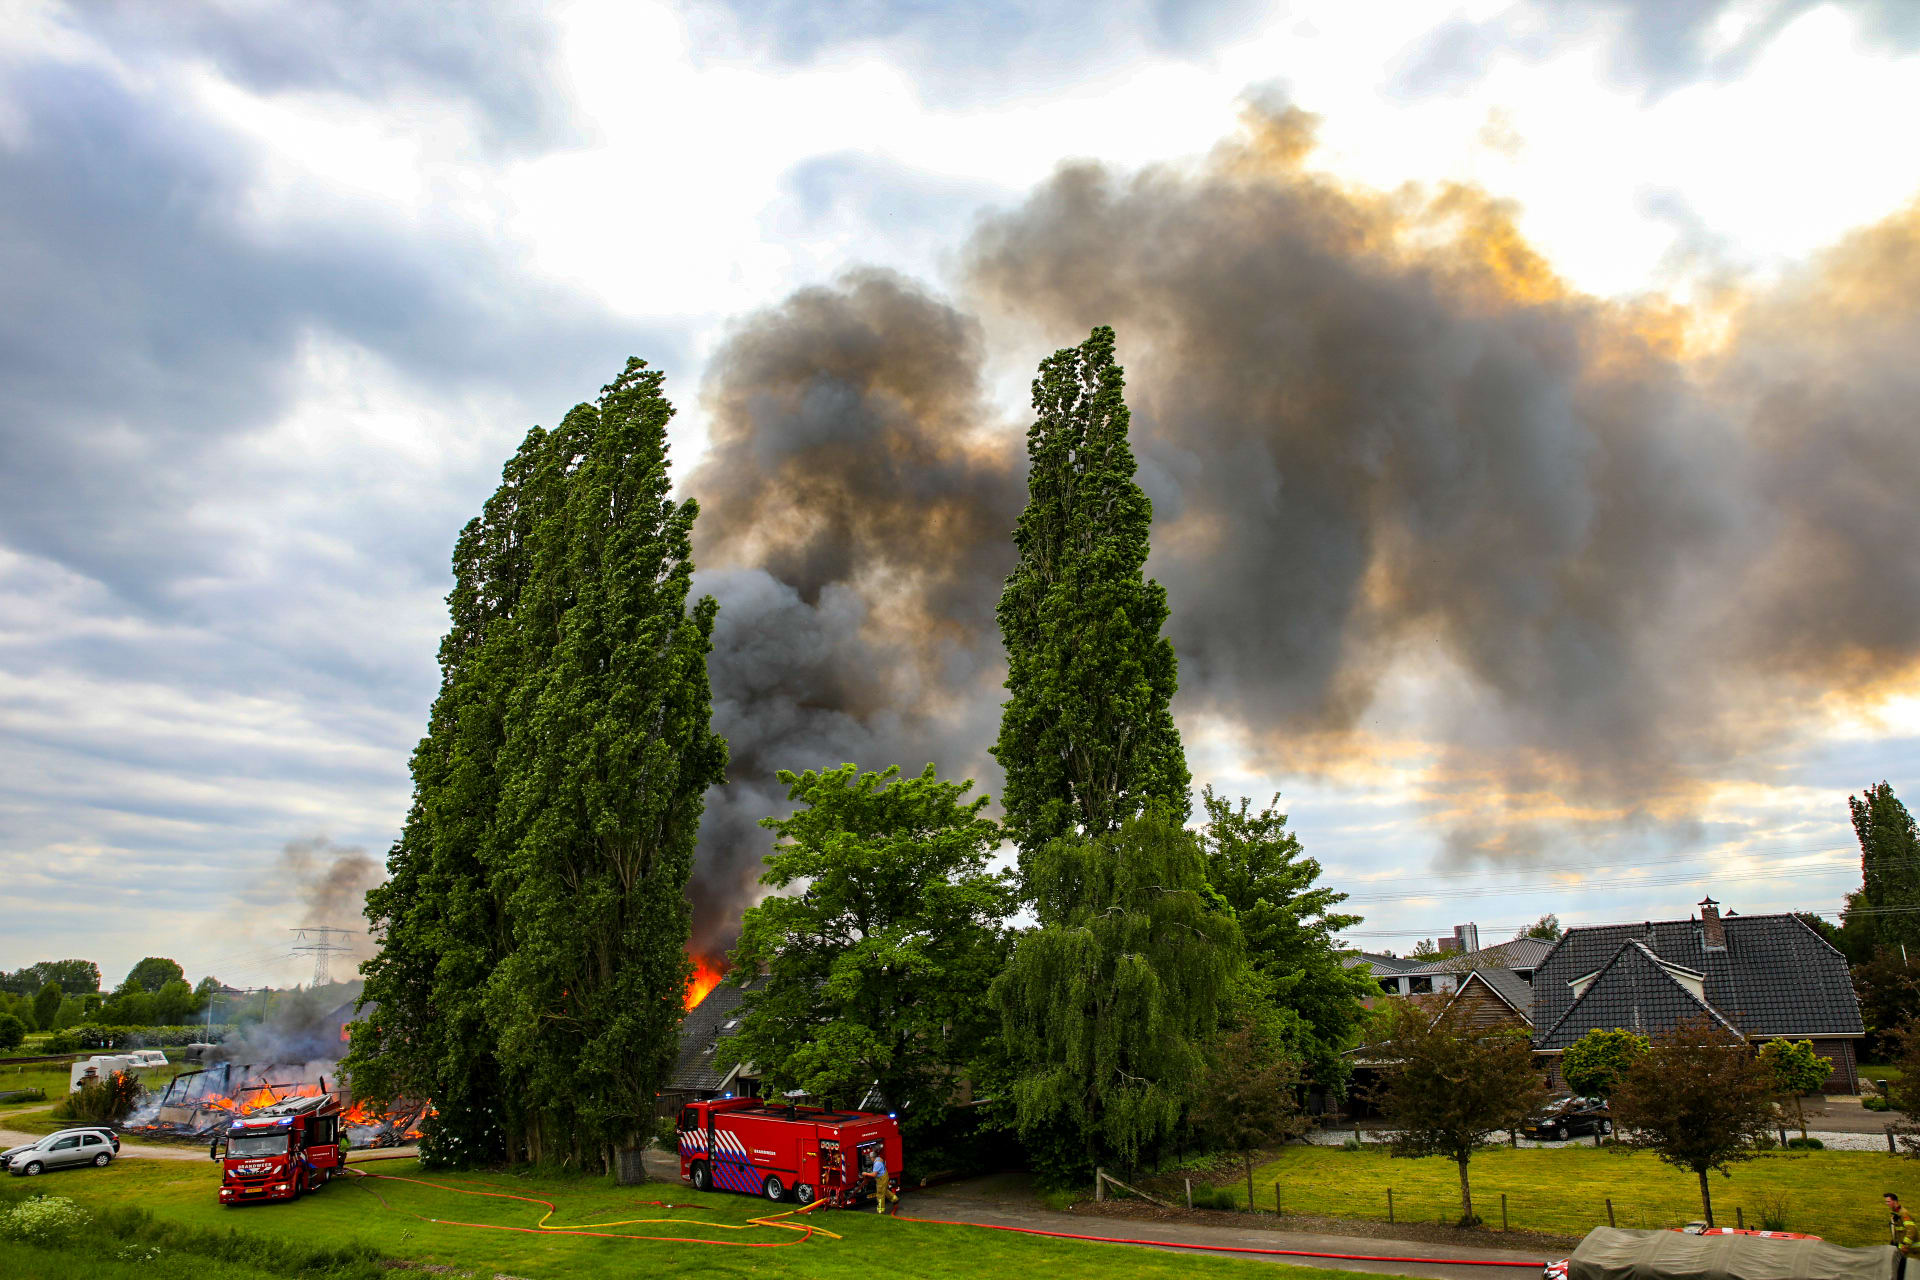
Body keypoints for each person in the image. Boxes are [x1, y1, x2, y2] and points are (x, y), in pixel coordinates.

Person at [1887, 1192, 1918, 1277]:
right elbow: (1899, 1231)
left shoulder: (1904, 1214)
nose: (1887, 1204)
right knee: (1899, 1270)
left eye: (1889, 1201)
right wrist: (1894, 1242)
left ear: (1895, 1201)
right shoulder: (1895, 1214)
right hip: (1902, 1250)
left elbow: (1912, 1230)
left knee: (1902, 1271)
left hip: (1910, 1250)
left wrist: (1906, 1245)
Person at [871, 1151, 895, 1216]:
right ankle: (894, 1199)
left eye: (871, 1158)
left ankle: (881, 1210)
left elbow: (874, 1174)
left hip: (881, 1179)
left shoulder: (877, 1163)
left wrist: (865, 1173)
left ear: (873, 1157)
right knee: (884, 1190)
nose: (871, 1159)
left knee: (880, 1195)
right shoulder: (879, 1158)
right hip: (884, 1177)